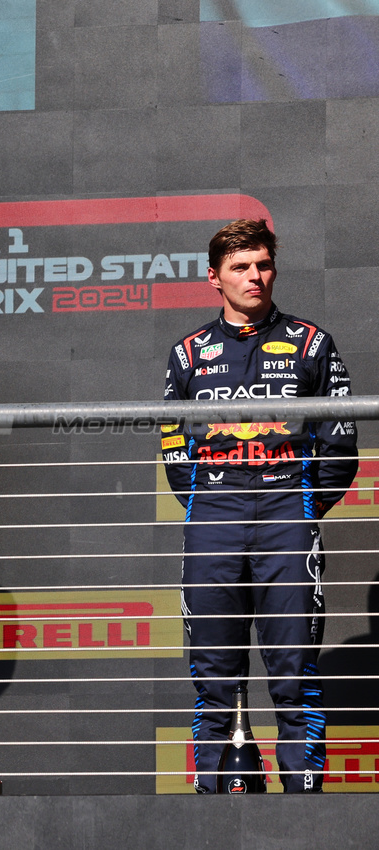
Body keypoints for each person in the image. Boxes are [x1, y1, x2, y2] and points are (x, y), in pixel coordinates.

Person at [161, 219, 357, 793]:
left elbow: (340, 443)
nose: (255, 277)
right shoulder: (188, 354)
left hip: (286, 517)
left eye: (263, 265)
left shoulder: (311, 343)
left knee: (295, 678)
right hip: (214, 519)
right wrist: (208, 497)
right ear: (213, 278)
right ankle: (213, 803)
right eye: (240, 267)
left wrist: (296, 504)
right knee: (213, 681)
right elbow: (175, 446)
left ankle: (305, 804)